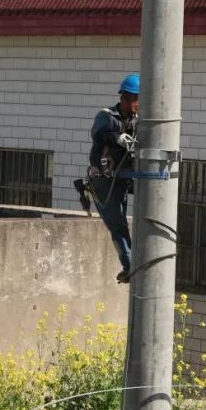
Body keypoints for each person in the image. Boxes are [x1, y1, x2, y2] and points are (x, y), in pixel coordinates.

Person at [88, 73, 140, 284]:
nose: (139, 104)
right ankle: (130, 266)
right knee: (117, 225)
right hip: (104, 180)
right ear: (124, 97)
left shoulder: (137, 121)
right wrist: (116, 137)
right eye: (136, 99)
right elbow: (98, 134)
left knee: (128, 222)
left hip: (122, 178)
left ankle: (134, 263)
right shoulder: (107, 116)